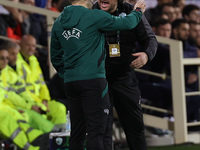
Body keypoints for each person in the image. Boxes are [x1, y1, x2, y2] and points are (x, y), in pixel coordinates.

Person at [50, 0, 146, 149]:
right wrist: (138, 11)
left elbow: (55, 57)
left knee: (77, 132)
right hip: (93, 82)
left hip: (71, 83)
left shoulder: (59, 21)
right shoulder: (95, 16)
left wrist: (68, 74)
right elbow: (127, 23)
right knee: (96, 132)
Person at [93, 0, 157, 149]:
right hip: (98, 80)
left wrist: (146, 55)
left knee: (135, 127)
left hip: (125, 77)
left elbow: (150, 39)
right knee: (102, 130)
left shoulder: (131, 11)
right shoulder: (89, 11)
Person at [16, 34, 67, 131]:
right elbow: (20, 89)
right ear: (20, 44)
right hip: (28, 102)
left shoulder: (34, 60)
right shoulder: (16, 62)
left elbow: (42, 83)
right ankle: (49, 140)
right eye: (28, 45)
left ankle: (60, 140)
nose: (31, 48)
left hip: (40, 101)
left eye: (34, 46)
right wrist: (36, 104)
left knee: (60, 108)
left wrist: (45, 100)